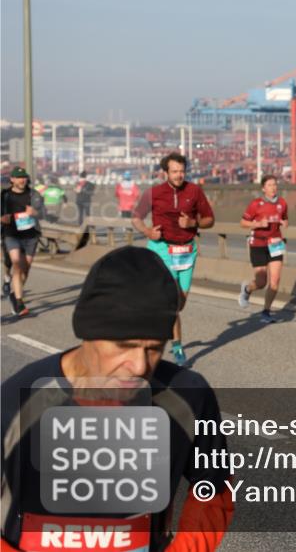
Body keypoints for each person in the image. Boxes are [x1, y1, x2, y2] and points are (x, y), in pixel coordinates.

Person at [0, 246, 234, 552]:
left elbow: (214, 489)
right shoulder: (17, 402)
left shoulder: (188, 397)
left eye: (154, 348)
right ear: (87, 333)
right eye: (124, 345)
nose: (139, 366)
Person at [132, 153, 215, 366]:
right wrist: (148, 232)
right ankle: (178, 348)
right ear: (165, 172)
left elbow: (209, 220)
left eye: (182, 171)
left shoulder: (194, 191)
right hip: (162, 249)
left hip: (187, 252)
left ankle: (158, 319)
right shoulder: (154, 193)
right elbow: (136, 217)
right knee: (171, 304)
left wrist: (192, 223)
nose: (179, 175)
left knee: (180, 304)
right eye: (175, 171)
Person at [237, 174, 288, 323]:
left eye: (275, 184)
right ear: (263, 188)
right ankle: (247, 290)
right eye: (270, 185)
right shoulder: (256, 204)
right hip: (258, 244)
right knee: (261, 282)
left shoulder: (282, 203)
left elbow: (285, 218)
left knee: (275, 280)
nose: (273, 187)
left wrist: (284, 222)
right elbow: (242, 223)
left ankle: (266, 311)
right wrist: (258, 224)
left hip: (275, 243)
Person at [0, 167, 45, 317]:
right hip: (11, 234)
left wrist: (35, 213)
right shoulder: (5, 195)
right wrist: (1, 218)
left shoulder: (34, 194)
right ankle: (19, 303)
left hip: (31, 236)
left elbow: (43, 214)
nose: (22, 180)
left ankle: (14, 294)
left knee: (26, 268)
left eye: (24, 177)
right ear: (12, 179)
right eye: (19, 177)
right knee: (17, 264)